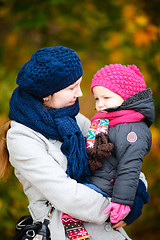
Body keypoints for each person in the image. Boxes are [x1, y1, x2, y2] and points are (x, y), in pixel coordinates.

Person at [0, 47, 132, 240]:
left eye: (79, 84)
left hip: (107, 230)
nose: (79, 93)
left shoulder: (73, 118)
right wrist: (116, 208)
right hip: (67, 232)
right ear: (46, 94)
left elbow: (122, 159)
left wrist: (130, 200)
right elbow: (67, 195)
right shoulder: (21, 137)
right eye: (71, 88)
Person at [62, 64, 154, 238]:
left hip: (109, 189)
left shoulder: (131, 129)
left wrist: (122, 202)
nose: (100, 104)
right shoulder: (106, 121)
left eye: (106, 97)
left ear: (127, 98)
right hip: (97, 181)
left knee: (74, 210)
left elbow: (130, 166)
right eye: (97, 99)